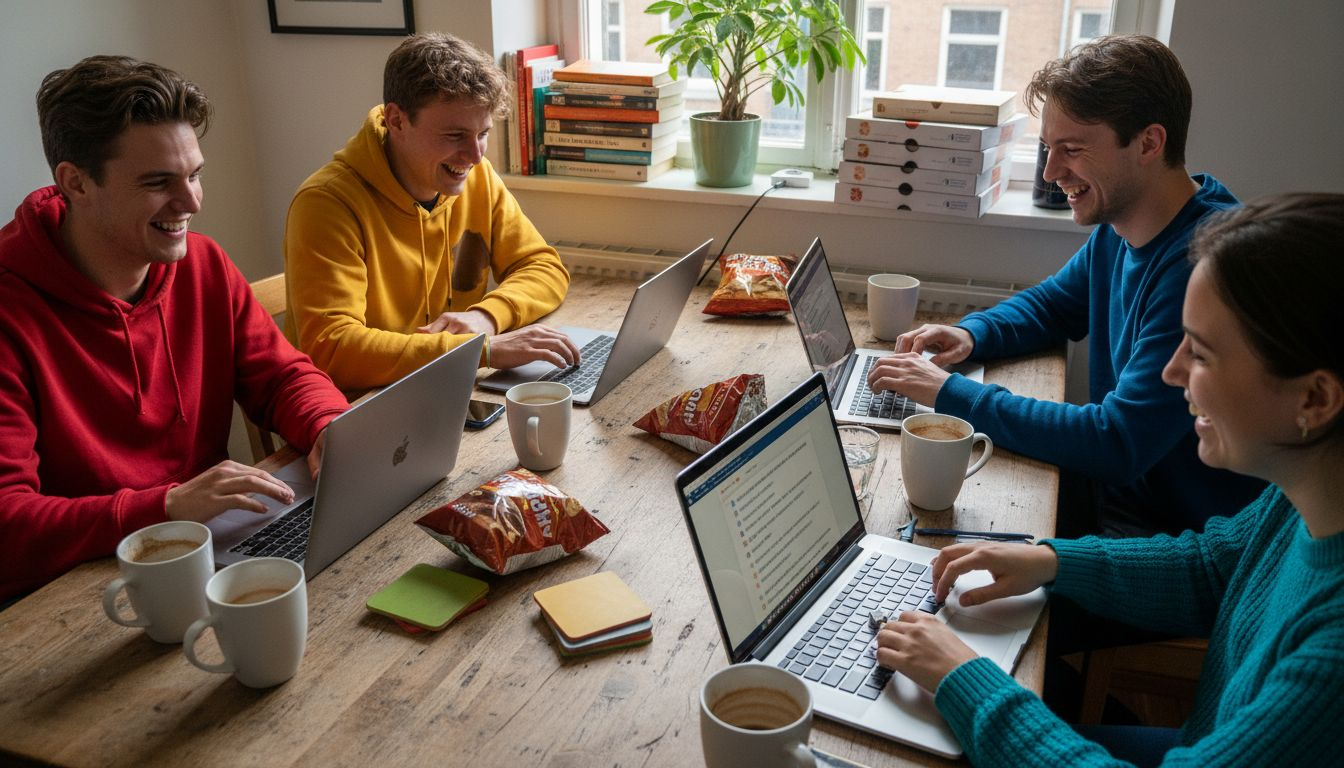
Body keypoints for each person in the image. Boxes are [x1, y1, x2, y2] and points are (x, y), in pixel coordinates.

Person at [876, 193, 1344, 766]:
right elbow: (1209, 568)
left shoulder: (1332, 654)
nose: (1172, 371)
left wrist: (965, 680)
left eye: (1201, 355)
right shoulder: (1303, 494)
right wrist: (1052, 560)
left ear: (1315, 400)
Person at [866, 35, 1263, 538]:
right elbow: (1053, 306)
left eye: (1071, 150)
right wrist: (971, 334)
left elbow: (1116, 442)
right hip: (1116, 498)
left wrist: (950, 392)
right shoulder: (1123, 227)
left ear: (1148, 143)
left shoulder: (1202, 266)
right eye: (1048, 149)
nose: (1052, 173)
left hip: (1171, 538)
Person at [0, 56, 350, 602]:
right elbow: (8, 524)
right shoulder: (10, 310)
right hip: (79, 590)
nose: (191, 202)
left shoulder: (203, 264)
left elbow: (283, 377)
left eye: (194, 175)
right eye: (158, 182)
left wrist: (328, 425)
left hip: (208, 552)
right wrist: (166, 506)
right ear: (76, 182)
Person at [285, 31, 579, 393]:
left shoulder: (476, 177)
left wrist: (485, 318)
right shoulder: (326, 203)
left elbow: (543, 267)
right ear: (396, 121)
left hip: (447, 388)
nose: (475, 156)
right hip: (357, 407)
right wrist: (480, 350)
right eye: (455, 136)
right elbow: (332, 349)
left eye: (482, 133)